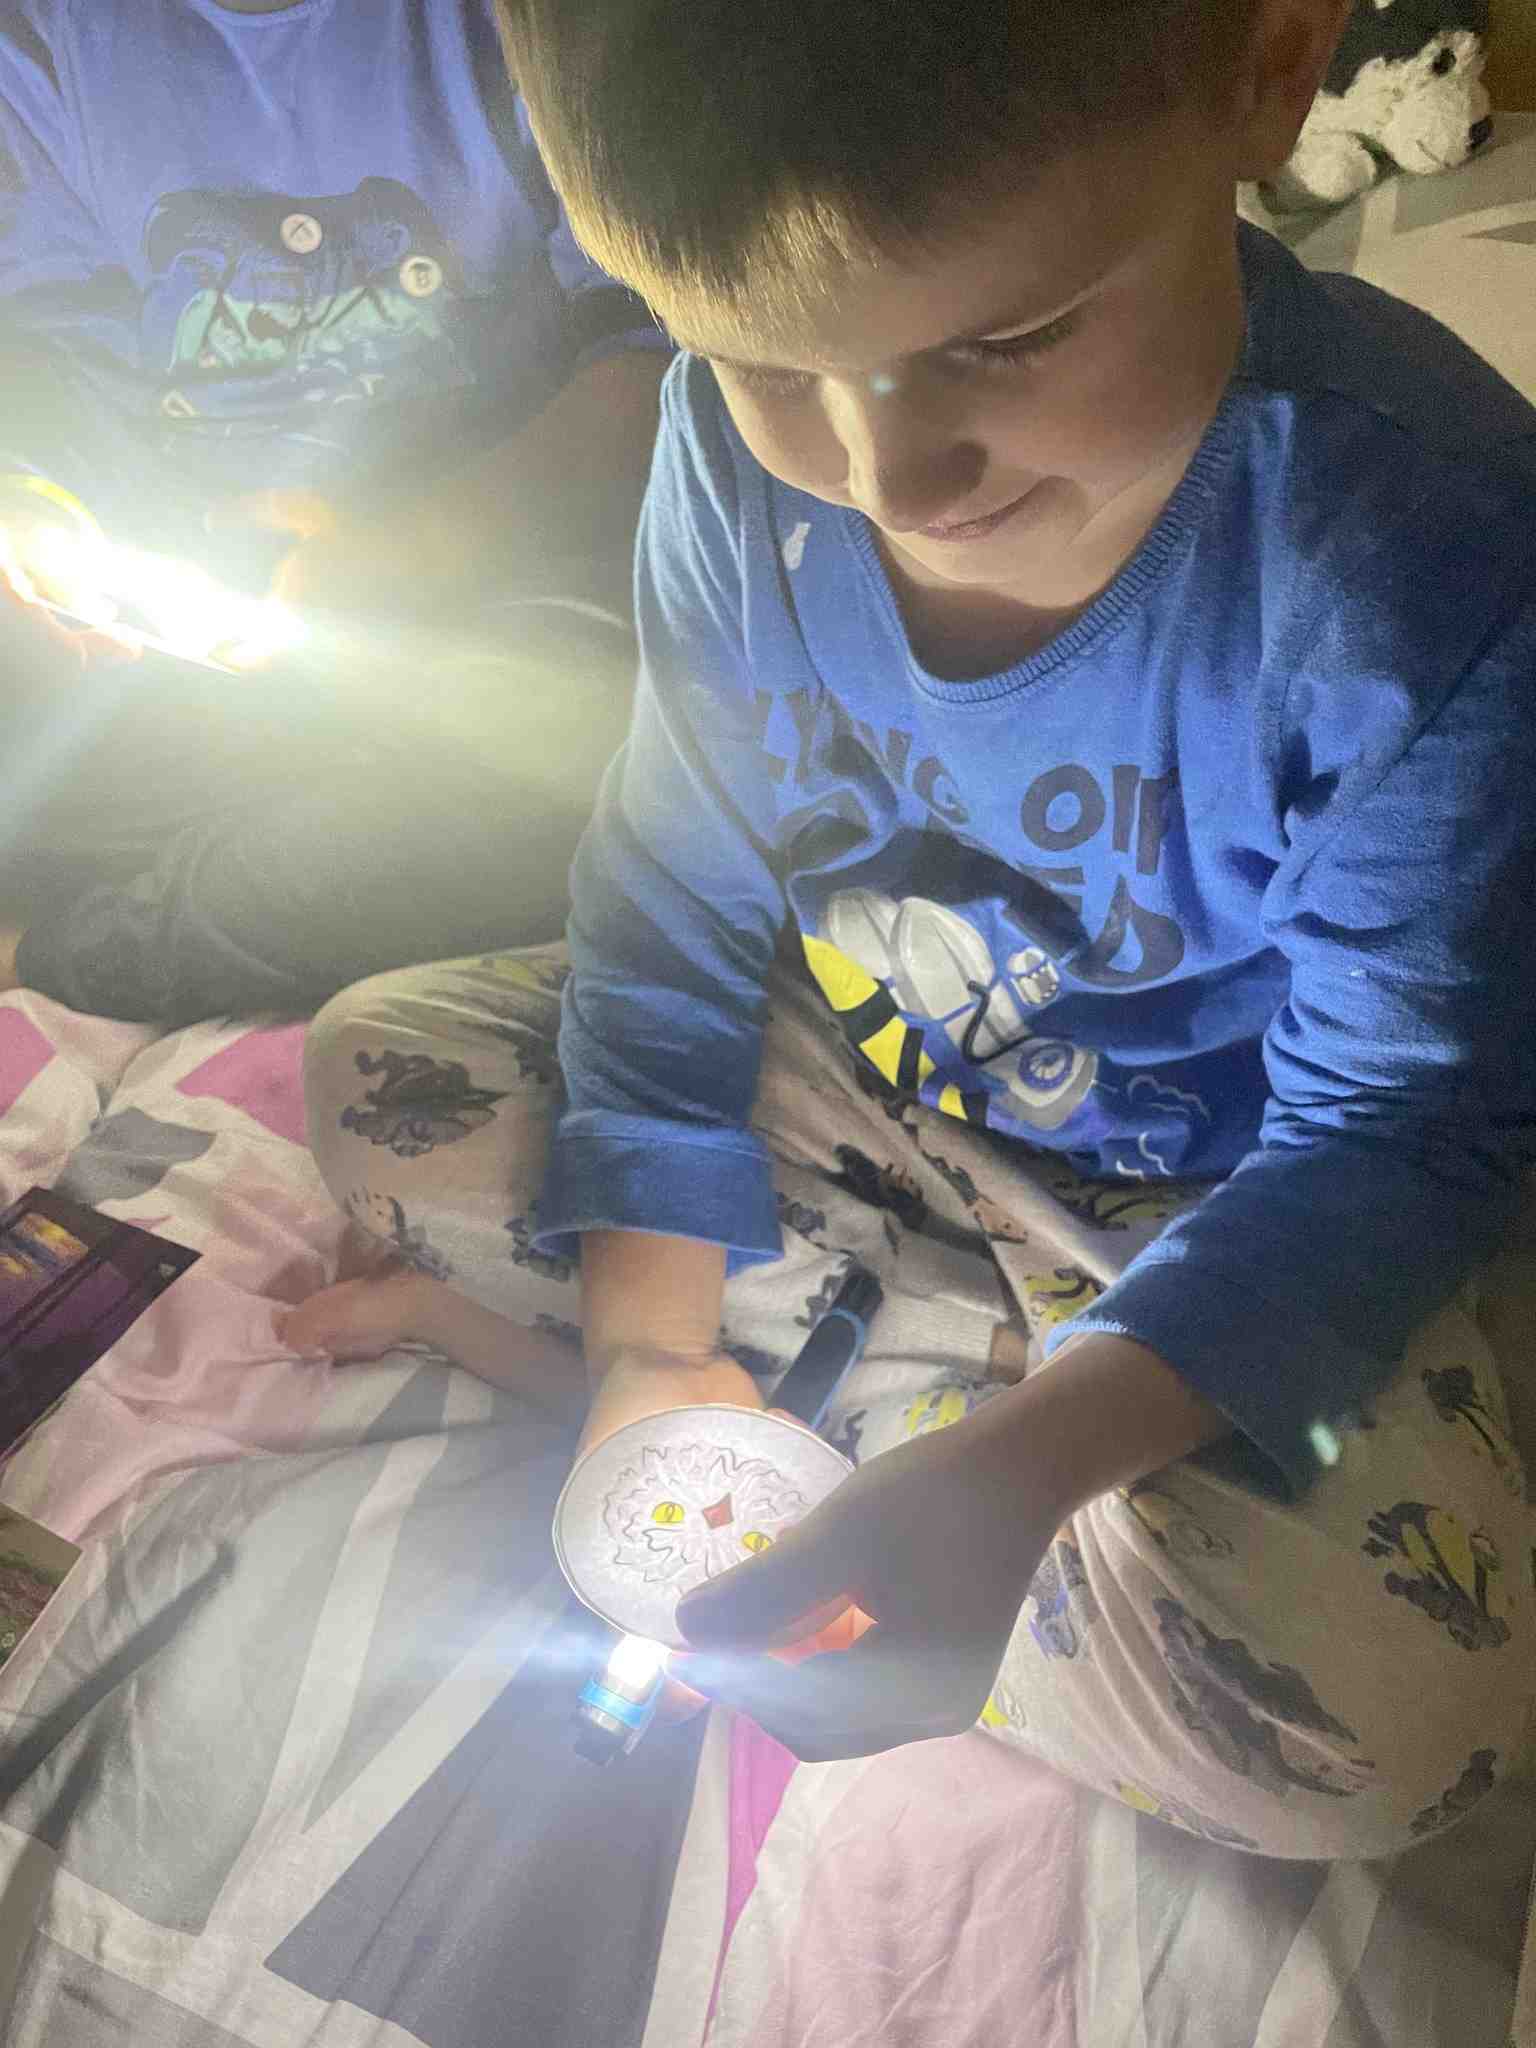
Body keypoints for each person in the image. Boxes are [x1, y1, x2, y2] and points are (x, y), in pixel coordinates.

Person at [285, 0, 1536, 1860]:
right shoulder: (737, 466)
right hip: (880, 1079)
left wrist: (1024, 1475)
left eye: (1005, 339)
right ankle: (885, 1388)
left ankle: (959, 1406)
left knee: (1384, 1737)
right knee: (377, 1066)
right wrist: (643, 1347)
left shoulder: (1421, 566)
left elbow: (1394, 1135)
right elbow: (674, 876)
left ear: (1271, 71)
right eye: (756, 359)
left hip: (1230, 1184)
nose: (891, 478)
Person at [0, 0, 667, 1026]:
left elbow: (661, 358)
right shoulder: (47, 39)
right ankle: (218, 877)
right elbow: (44, 359)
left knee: (557, 782)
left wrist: (425, 543)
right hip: (181, 643)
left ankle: (68, 947)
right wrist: (36, 501)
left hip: (497, 601)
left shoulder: (527, 29)